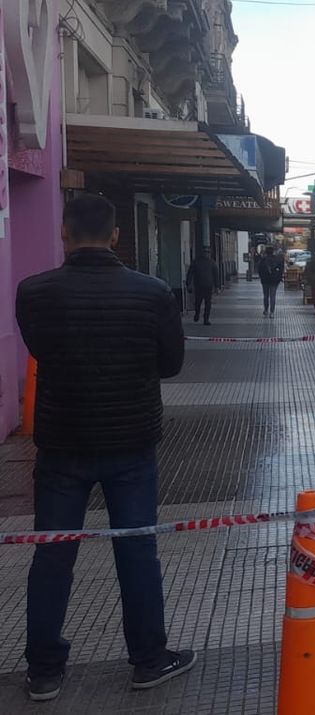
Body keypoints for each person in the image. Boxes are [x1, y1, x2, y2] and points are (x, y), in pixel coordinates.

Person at [14, 194, 195, 702]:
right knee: (138, 552)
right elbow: (171, 365)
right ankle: (148, 660)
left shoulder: (33, 292)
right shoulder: (153, 292)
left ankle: (44, 670)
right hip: (131, 443)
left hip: (61, 445)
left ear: (64, 234)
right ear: (116, 235)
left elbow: (40, 349)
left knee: (52, 556)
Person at [186, 247, 219, 325]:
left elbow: (216, 275)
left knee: (208, 304)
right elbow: (190, 273)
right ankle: (197, 314)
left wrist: (217, 286)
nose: (206, 254)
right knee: (198, 302)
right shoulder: (197, 262)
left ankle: (206, 319)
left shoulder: (212, 263)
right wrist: (188, 283)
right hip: (199, 286)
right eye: (205, 252)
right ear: (202, 253)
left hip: (208, 286)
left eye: (208, 253)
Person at [256, 245, 284, 317]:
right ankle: (272, 312)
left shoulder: (263, 260)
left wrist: (262, 278)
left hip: (265, 281)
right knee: (272, 296)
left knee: (265, 296)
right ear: (273, 252)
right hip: (274, 281)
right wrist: (279, 278)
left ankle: (266, 310)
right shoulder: (277, 259)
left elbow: (259, 270)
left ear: (266, 252)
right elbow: (281, 270)